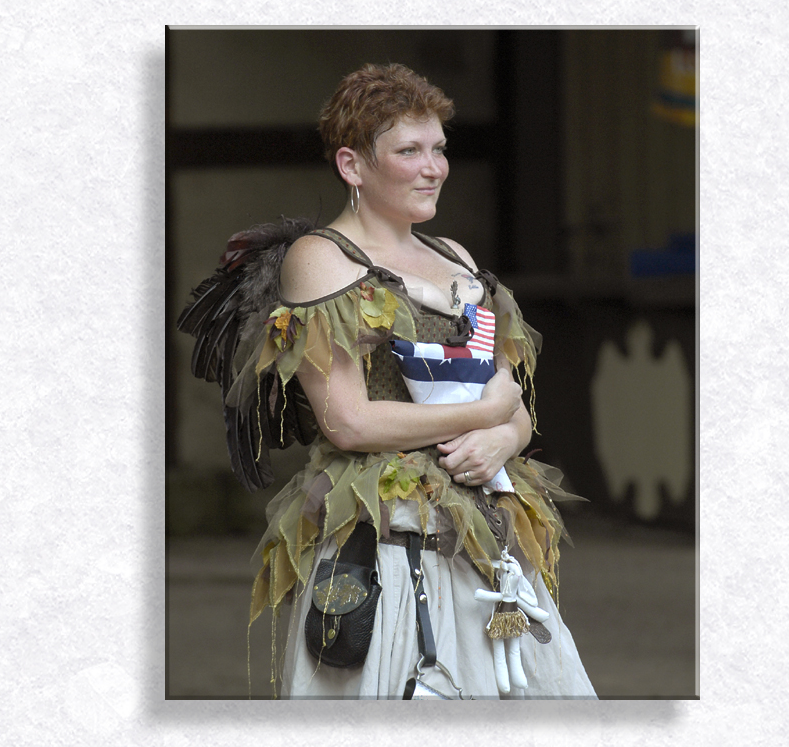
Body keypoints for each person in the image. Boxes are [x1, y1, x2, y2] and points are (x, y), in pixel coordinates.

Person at [234, 63, 596, 698]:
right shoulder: (321, 260)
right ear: (352, 166)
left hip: (485, 522)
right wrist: (483, 421)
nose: (434, 168)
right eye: (409, 151)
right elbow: (349, 422)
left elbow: (507, 396)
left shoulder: (455, 256)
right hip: (386, 530)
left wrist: (505, 441)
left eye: (439, 149)